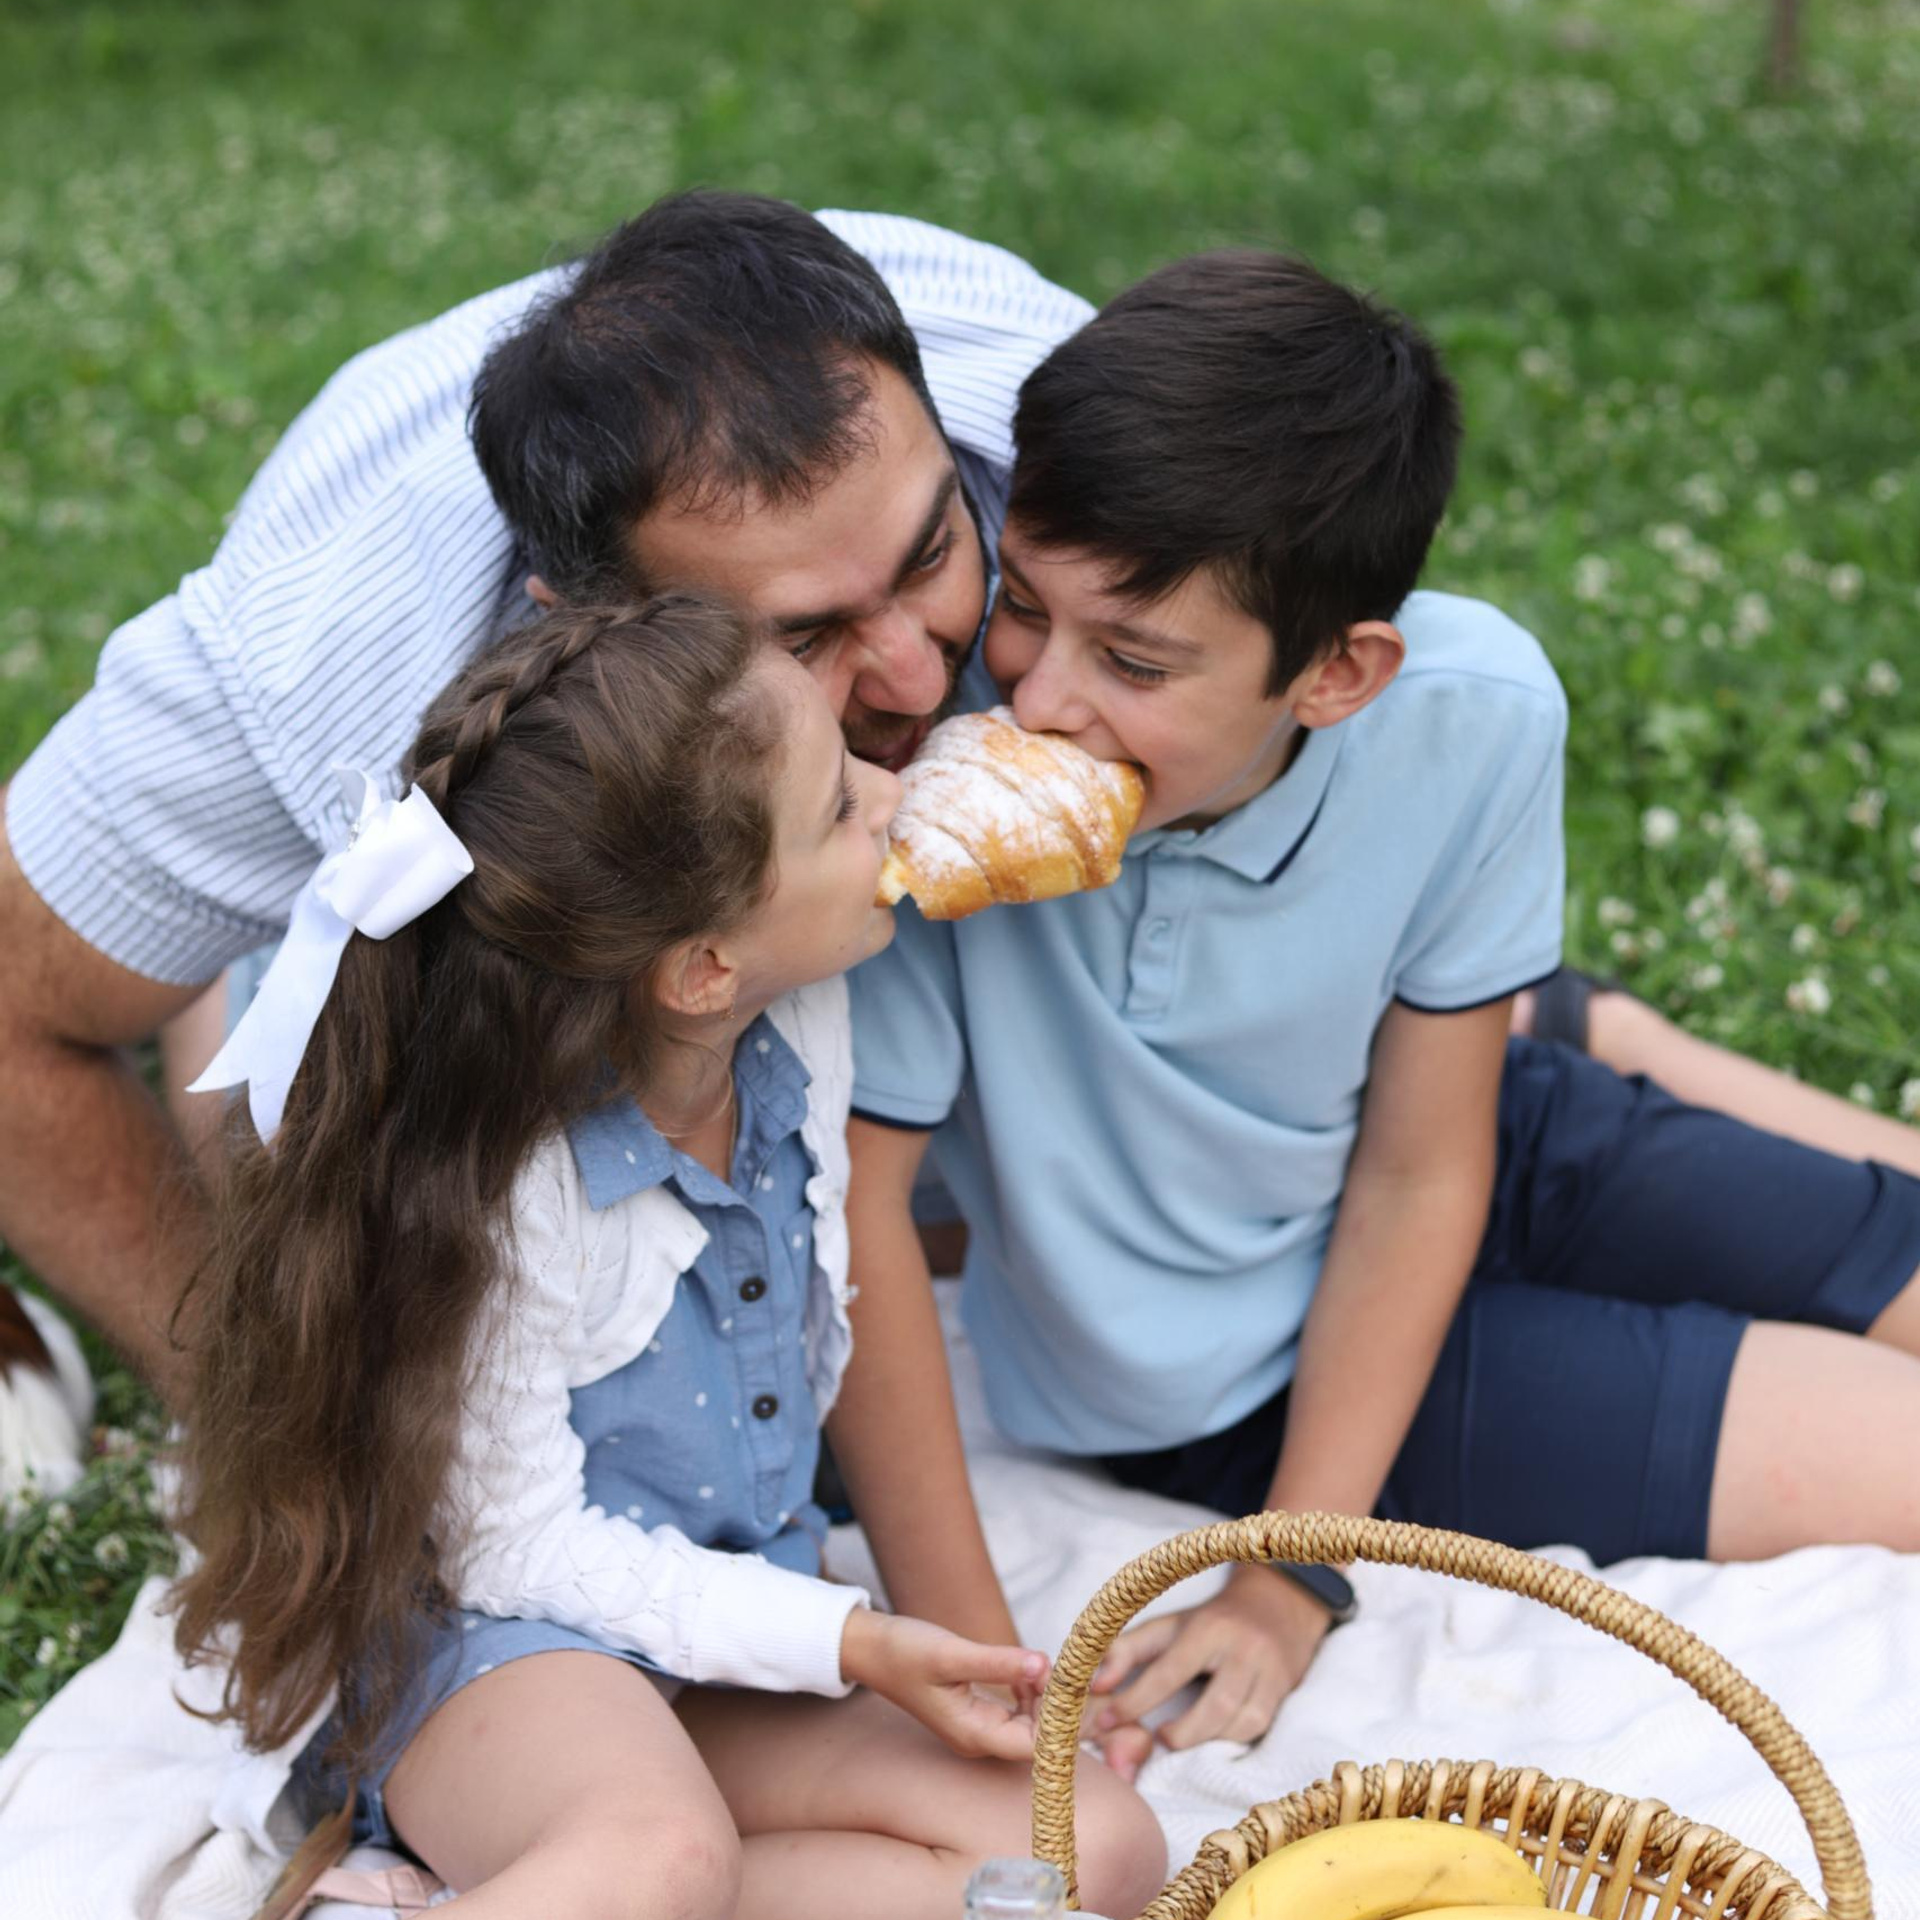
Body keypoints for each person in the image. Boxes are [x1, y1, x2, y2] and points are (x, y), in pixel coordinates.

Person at [840, 250, 1920, 1783]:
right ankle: (1592, 1023)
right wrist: (996, 1668)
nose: (1039, 703)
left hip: (1473, 1136)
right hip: (1232, 1372)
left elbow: (1425, 1164)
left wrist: (1294, 1580)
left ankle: (1584, 1031)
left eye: (1134, 660)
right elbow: (863, 1217)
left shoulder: (1476, 715)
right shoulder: (919, 797)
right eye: (1027, 609)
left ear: (1339, 675)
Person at [0, 190, 1091, 1415]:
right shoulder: (318, 663)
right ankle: (231, 993)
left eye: (932, 556)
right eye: (802, 636)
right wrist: (281, 1421)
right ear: (583, 630)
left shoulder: (1065, 410)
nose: (911, 673)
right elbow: (14, 1018)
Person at [164, 594, 1166, 1920]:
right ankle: (578, 1865)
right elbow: (515, 1546)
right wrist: (852, 1643)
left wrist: (878, 1643)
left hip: (717, 1642)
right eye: (838, 808)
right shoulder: (520, 1187)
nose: (891, 792)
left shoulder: (802, 1015)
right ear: (701, 967)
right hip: (505, 1654)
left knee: (1091, 1847)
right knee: (659, 1859)